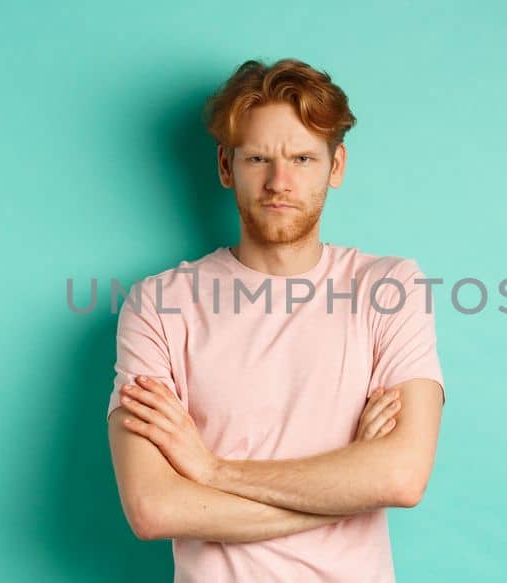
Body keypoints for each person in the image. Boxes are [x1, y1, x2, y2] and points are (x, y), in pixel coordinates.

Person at [106, 57, 446, 582]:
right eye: (259, 158)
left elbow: (401, 476)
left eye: (304, 159)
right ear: (226, 166)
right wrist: (347, 484)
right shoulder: (159, 304)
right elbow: (154, 508)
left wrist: (211, 471)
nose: (279, 182)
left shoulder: (390, 287)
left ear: (336, 167)